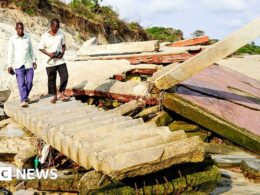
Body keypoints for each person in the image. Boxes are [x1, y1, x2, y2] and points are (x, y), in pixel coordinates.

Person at [39, 18, 69, 104]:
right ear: (51, 26)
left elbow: (63, 45)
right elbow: (40, 48)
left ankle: (61, 93)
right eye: (55, 27)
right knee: (52, 79)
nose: (57, 29)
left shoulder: (61, 34)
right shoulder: (45, 36)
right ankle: (54, 96)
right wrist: (49, 54)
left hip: (60, 60)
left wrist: (62, 53)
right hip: (50, 61)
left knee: (65, 76)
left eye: (58, 27)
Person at [7, 22, 37, 107]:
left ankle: (25, 96)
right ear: (16, 29)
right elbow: (10, 53)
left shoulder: (27, 37)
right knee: (21, 84)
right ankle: (24, 100)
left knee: (30, 82)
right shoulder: (12, 39)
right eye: (19, 29)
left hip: (28, 64)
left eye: (22, 29)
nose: (20, 30)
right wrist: (9, 65)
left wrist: (34, 60)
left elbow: (31, 49)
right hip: (18, 65)